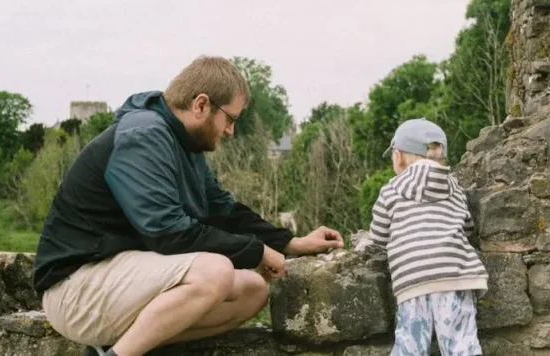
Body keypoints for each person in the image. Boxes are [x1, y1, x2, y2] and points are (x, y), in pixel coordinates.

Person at [33, 56, 344, 356]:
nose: (230, 130)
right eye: (230, 119)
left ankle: (116, 348)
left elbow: (222, 210)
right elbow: (168, 233)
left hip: (117, 283)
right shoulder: (144, 136)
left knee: (253, 290)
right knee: (215, 271)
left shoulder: (183, 143)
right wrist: (256, 251)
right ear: (201, 105)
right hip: (75, 289)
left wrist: (290, 242)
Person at [367, 118, 488, 356]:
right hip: (456, 276)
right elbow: (467, 227)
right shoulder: (454, 188)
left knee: (410, 346)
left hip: (412, 280)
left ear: (398, 156)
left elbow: (378, 236)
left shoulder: (391, 190)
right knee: (462, 345)